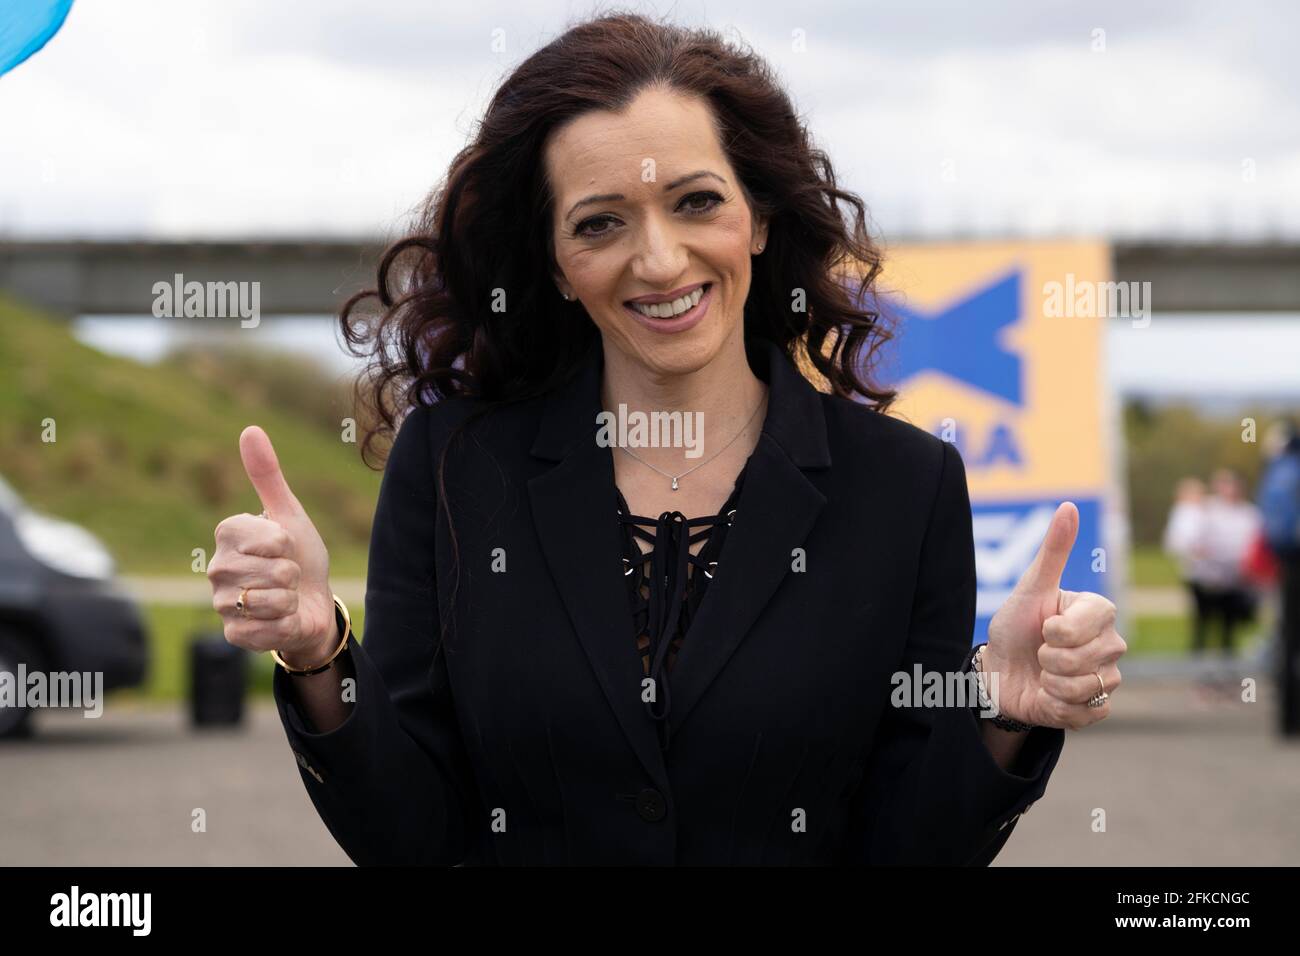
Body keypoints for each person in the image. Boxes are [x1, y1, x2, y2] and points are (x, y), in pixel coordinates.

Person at [205, 13, 1125, 866]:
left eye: (695, 202)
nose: (658, 259)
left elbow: (905, 849)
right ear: (559, 267)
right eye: (600, 222)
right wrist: (319, 651)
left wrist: (997, 714)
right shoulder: (453, 466)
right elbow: (410, 836)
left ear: (757, 218)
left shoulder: (904, 486)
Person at [1257, 420, 1300, 735]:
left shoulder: (1278, 473)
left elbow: (1273, 529)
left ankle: (1288, 719)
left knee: (1289, 640)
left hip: (1289, 565)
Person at [1196, 469, 1263, 657]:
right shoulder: (1208, 510)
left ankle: (1227, 665)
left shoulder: (1249, 513)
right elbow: (1197, 541)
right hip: (1210, 577)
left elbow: (1253, 541)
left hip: (1237, 577)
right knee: (1205, 623)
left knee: (1230, 625)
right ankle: (1200, 668)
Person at [1163, 477, 1213, 652]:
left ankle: (1207, 649)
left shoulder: (1203, 512)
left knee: (1209, 613)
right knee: (1201, 613)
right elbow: (1177, 542)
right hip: (1195, 570)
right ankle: (1199, 649)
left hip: (1210, 570)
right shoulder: (1184, 513)